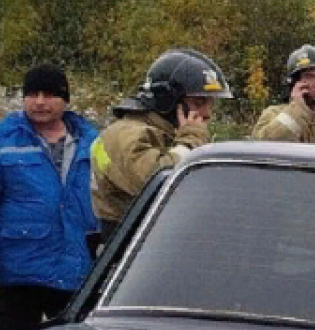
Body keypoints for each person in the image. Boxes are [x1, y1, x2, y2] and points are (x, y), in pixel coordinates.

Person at [0, 65, 100, 330]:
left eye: (48, 95)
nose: (39, 102)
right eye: (32, 94)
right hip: (19, 272)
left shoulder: (92, 142)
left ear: (65, 100)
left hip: (75, 270)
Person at [91, 48, 232, 241]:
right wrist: (191, 140)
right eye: (199, 102)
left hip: (157, 243)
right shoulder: (124, 134)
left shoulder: (170, 134)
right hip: (128, 250)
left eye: (210, 104)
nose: (207, 113)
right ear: (168, 100)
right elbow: (157, 183)